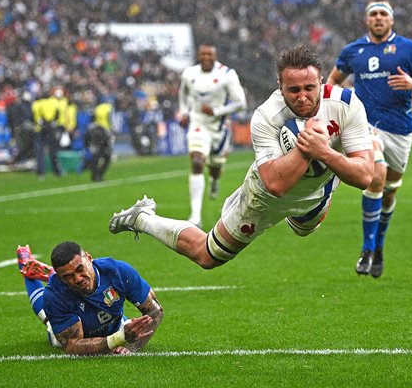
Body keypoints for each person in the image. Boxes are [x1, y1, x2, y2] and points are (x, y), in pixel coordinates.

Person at [109, 46, 375, 270]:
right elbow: (275, 185)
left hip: (316, 195)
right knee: (207, 256)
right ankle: (142, 218)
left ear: (322, 83)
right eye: (294, 90)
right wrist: (305, 150)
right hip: (264, 197)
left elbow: (364, 176)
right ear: (280, 88)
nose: (303, 97)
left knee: (304, 230)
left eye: (309, 87)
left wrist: (324, 151)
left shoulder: (346, 104)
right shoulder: (266, 116)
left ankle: (301, 194)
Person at [327, 0, 412, 278]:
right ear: (366, 19)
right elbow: (332, 81)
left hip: (400, 129)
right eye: (374, 14)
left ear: (391, 19)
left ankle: (378, 247)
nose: (378, 18)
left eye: (383, 14)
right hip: (366, 126)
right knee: (376, 175)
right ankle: (367, 249)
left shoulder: (409, 49)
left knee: (390, 191)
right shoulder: (353, 50)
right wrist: (336, 106)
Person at [16, 242, 163, 355]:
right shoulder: (55, 295)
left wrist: (131, 347)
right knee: (44, 312)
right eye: (68, 276)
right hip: (79, 328)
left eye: (80, 269)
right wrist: (117, 339)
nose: (78, 279)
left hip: (115, 323)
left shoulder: (118, 272)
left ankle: (52, 274)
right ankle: (25, 264)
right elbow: (72, 345)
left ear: (89, 258)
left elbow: (155, 311)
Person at [178, 44, 248, 228]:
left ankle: (215, 180)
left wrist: (217, 111)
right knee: (197, 160)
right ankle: (195, 216)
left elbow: (240, 103)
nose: (206, 57)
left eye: (210, 54)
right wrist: (184, 112)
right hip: (198, 123)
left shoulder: (227, 75)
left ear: (215, 56)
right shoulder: (189, 74)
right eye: (203, 54)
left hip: (219, 128)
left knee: (216, 167)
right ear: (199, 55)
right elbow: (183, 94)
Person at [80, 102, 114, 181]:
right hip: (103, 132)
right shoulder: (108, 108)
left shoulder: (98, 109)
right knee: (104, 156)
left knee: (96, 156)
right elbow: (109, 119)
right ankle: (98, 175)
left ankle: (95, 175)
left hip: (95, 131)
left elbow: (91, 120)